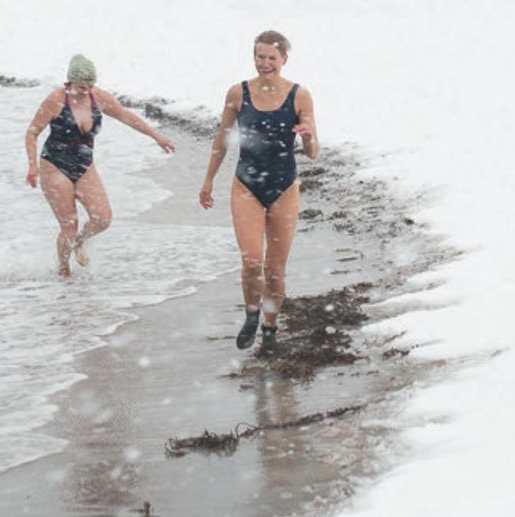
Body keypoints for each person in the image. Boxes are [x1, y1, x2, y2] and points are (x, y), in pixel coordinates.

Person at [199, 30, 319, 352]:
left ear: (284, 60)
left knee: (275, 271)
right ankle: (252, 312)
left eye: (271, 58)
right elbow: (222, 140)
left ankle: (269, 327)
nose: (265, 63)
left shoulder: (299, 95)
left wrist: (306, 135)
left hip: (284, 188)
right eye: (260, 56)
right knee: (252, 261)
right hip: (246, 185)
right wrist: (208, 180)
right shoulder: (238, 94)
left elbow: (313, 152)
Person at [24, 54, 176, 277]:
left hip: (84, 164)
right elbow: (32, 132)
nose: (86, 91)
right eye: (81, 86)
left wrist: (156, 136)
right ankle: (64, 272)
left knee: (102, 218)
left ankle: (80, 242)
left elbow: (126, 116)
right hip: (54, 165)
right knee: (69, 226)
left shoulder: (99, 97)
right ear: (69, 82)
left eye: (90, 86)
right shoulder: (55, 100)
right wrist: (32, 167)